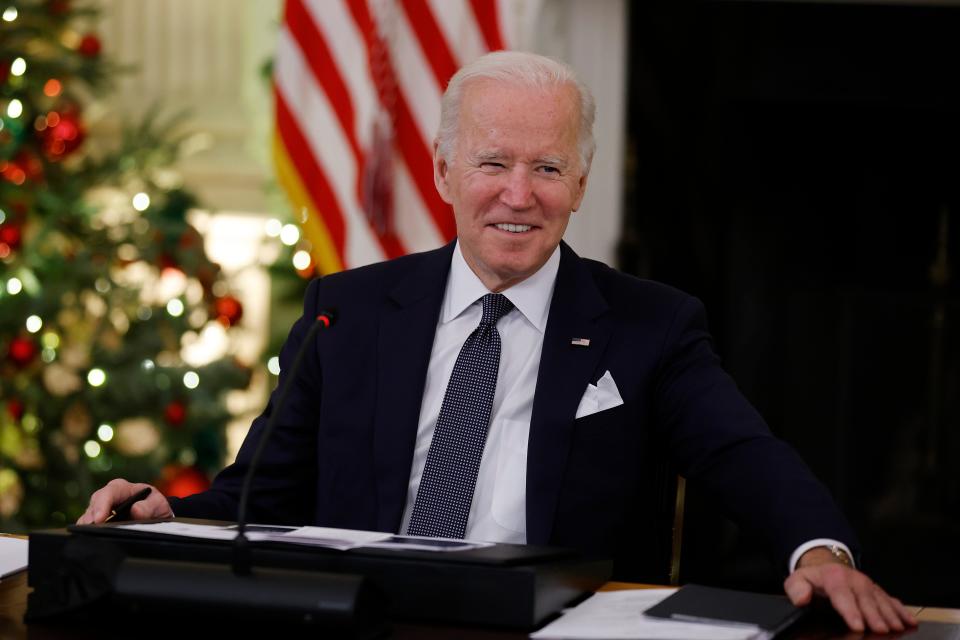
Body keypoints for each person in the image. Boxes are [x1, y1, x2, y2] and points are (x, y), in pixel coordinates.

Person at [80, 51, 915, 634]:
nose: (519, 196)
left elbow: (743, 452)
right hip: (366, 621)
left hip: (551, 629)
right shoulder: (350, 309)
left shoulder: (651, 323)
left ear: (581, 182)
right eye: (493, 164)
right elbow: (260, 497)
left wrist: (821, 549)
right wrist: (170, 517)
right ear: (444, 171)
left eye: (548, 168)